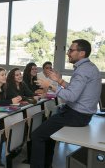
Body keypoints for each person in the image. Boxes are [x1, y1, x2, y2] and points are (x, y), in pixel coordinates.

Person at [31, 39, 102, 168]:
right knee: (48, 136)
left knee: (36, 135)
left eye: (71, 50)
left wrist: (50, 86)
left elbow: (71, 96)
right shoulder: (89, 67)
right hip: (81, 114)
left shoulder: (82, 70)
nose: (68, 53)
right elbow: (75, 89)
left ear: (82, 53)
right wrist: (59, 81)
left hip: (76, 115)